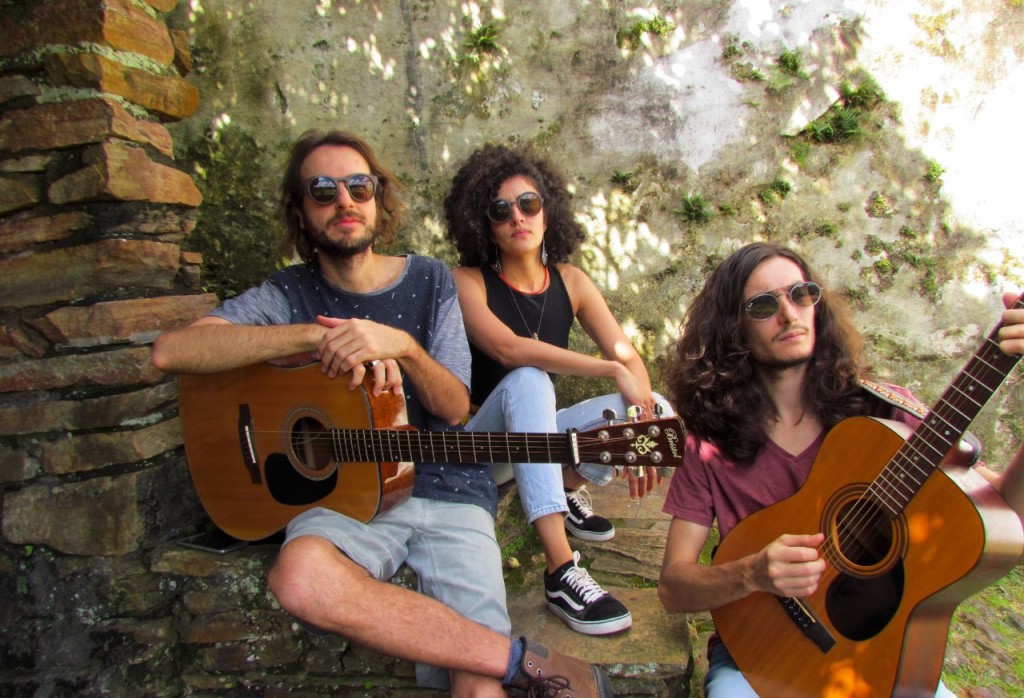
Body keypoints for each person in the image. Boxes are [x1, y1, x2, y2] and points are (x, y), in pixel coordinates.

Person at [151, 130, 614, 698]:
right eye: (323, 191)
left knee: (478, 688)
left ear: (377, 197)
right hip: (343, 500)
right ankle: (517, 660)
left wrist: (403, 347)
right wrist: (316, 337)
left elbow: (452, 406)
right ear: (300, 211)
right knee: (299, 576)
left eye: (359, 186)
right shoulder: (288, 293)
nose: (344, 200)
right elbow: (172, 351)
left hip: (448, 487)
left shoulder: (430, 280)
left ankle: (496, 662)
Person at [657, 241, 1024, 697]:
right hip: (758, 653)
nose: (789, 314)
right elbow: (673, 588)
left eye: (801, 294)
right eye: (764, 305)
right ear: (733, 328)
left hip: (877, 660)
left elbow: (1003, 511)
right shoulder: (709, 442)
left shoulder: (885, 416)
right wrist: (751, 573)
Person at [443, 143, 673, 636]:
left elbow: (628, 357)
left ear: (548, 213)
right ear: (483, 224)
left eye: (528, 204)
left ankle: (565, 488)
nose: (517, 217)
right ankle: (561, 571)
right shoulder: (466, 282)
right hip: (483, 445)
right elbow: (509, 349)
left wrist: (644, 425)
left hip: (537, 436)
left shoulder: (571, 281)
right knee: (528, 379)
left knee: (653, 403)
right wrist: (609, 369)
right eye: (500, 210)